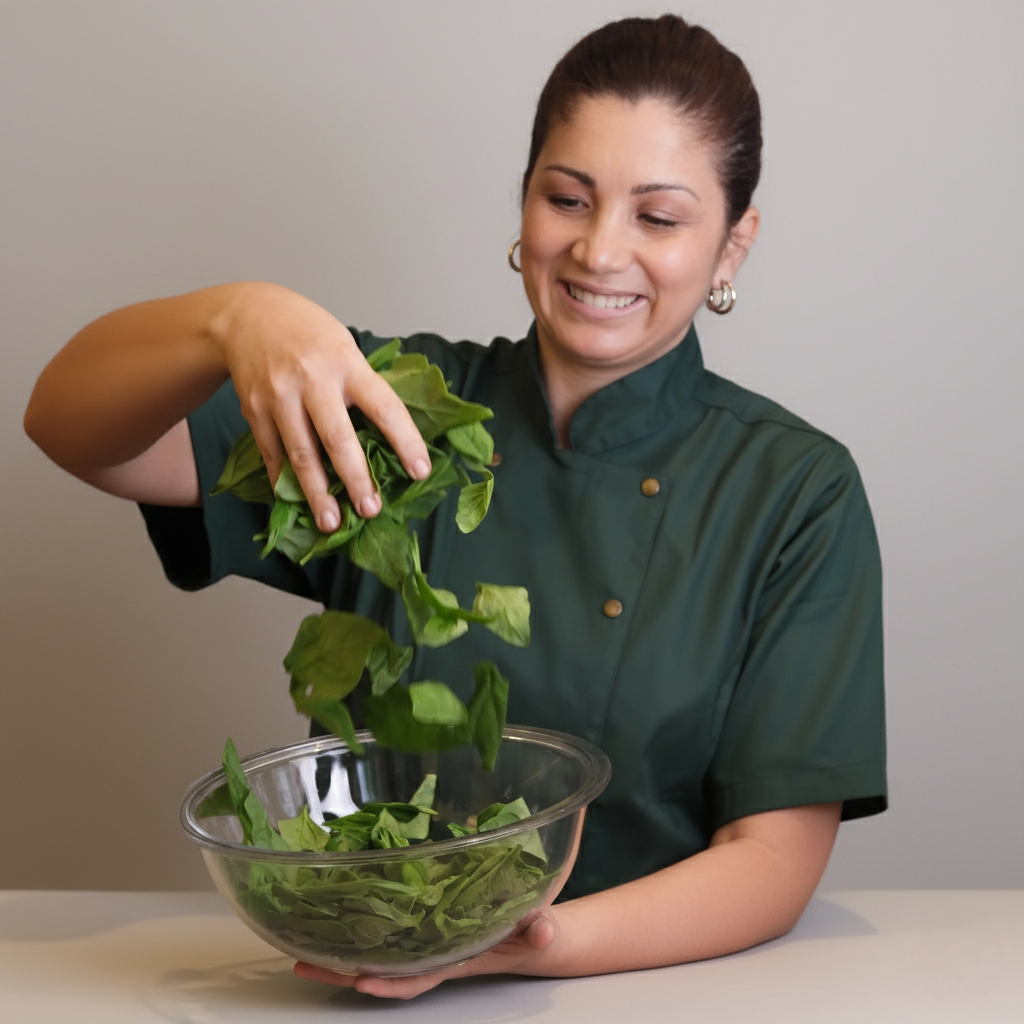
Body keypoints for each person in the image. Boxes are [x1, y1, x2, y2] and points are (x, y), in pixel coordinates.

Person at [24, 14, 885, 999]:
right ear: (522, 206)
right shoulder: (391, 407)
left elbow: (772, 861)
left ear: (731, 245)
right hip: (360, 973)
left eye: (657, 217)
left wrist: (527, 942)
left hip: (659, 991)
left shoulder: (791, 488)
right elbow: (69, 425)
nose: (599, 251)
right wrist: (234, 316)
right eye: (566, 197)